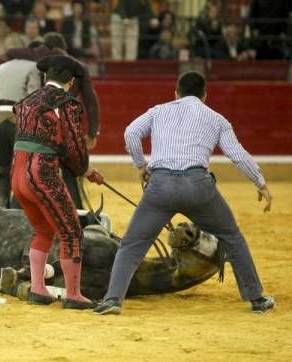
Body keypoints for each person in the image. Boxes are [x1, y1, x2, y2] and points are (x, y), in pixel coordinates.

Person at [94, 71, 275, 315]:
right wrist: (260, 182)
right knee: (231, 236)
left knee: (132, 245)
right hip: (198, 187)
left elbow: (131, 133)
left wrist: (140, 165)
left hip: (160, 187)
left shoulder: (159, 110)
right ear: (205, 96)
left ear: (176, 93)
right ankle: (256, 299)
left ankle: (112, 299)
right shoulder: (216, 118)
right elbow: (237, 154)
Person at [12, 55, 104, 310]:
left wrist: (84, 169)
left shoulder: (26, 102)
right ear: (71, 81)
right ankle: (73, 295)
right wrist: (86, 170)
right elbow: (73, 146)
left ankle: (38, 289)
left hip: (17, 175)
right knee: (72, 232)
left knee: (43, 230)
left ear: (45, 77)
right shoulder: (66, 103)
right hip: (42, 175)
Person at [6, 32, 100, 208]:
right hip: (64, 125)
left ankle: (16, 209)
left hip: (36, 125)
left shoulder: (40, 57)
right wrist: (93, 133)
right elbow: (91, 100)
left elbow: (10, 52)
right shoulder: (78, 66)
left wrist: (39, 50)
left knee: (27, 164)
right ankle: (76, 211)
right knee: (70, 170)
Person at [0, 41, 42, 207]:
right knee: (20, 168)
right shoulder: (34, 67)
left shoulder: (1, 68)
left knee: (0, 167)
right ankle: (15, 206)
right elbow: (33, 98)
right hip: (20, 122)